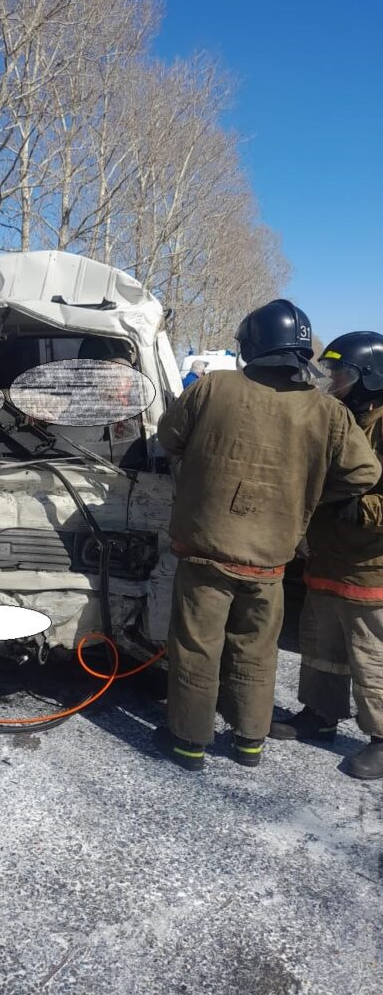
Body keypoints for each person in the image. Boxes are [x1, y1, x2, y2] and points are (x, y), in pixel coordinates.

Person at [154, 300, 381, 772]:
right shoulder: (327, 411)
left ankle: (189, 744)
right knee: (256, 649)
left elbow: (168, 439)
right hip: (272, 560)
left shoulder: (212, 387)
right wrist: (310, 491)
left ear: (251, 345)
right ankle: (249, 742)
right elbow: (363, 473)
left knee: (198, 647)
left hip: (204, 553)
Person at [269, 332, 383, 779]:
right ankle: (319, 715)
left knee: (371, 655)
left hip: (370, 565)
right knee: (321, 645)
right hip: (328, 559)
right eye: (333, 372)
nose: (334, 380)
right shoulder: (344, 417)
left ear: (371, 377)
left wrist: (359, 508)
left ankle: (380, 736)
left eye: (343, 373)